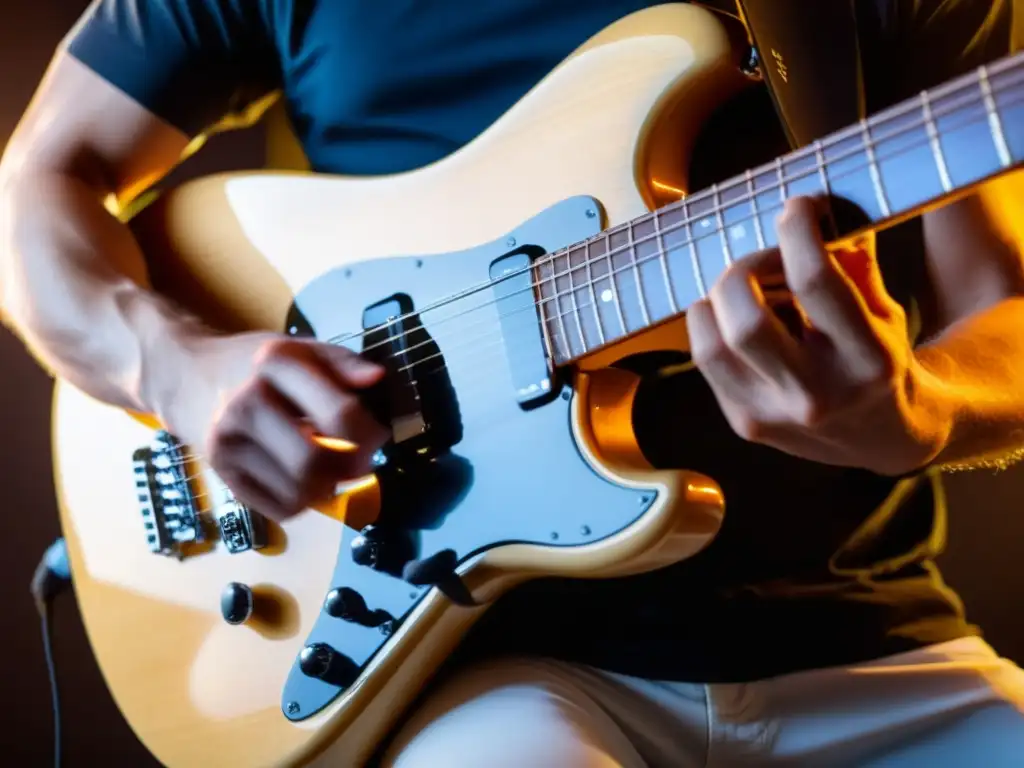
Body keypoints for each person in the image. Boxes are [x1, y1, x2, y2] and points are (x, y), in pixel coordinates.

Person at [2, 0, 1024, 764]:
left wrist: (918, 412)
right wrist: (177, 371)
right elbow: (33, 190)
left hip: (867, 641)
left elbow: (1004, 304)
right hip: (482, 667)